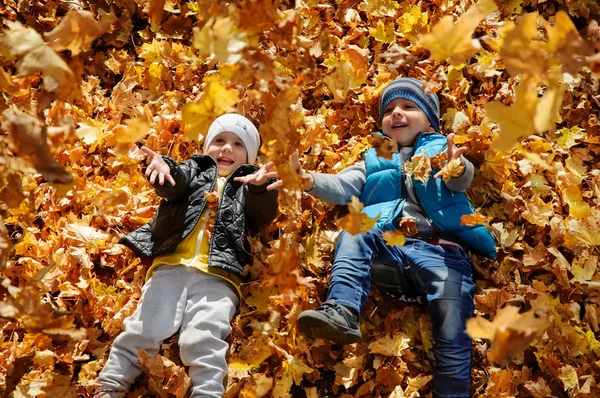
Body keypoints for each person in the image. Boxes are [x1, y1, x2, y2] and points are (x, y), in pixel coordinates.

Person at [274, 78, 496, 397]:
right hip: (387, 254)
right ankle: (342, 309)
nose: (397, 113)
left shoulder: (438, 152)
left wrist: (455, 168)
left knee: (452, 325)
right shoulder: (374, 157)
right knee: (355, 223)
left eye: (408, 107)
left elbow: (460, 179)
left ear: (429, 121)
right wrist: (307, 179)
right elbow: (343, 185)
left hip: (441, 253)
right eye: (389, 109)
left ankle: (453, 391)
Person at [96, 114, 278, 398]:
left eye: (237, 144)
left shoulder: (248, 186)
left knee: (204, 338)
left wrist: (258, 187)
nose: (226, 148)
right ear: (206, 147)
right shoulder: (197, 169)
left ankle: (207, 393)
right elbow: (174, 182)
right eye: (219, 140)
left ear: (249, 157)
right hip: (171, 266)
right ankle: (110, 385)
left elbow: (262, 215)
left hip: (219, 277)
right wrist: (164, 168)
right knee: (146, 326)